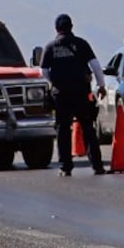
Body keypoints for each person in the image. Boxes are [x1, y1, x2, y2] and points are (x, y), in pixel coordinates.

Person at [39, 13, 107, 177]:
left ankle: (65, 166)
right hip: (81, 92)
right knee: (87, 128)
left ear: (56, 28)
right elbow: (96, 66)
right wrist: (101, 85)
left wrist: (54, 82)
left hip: (61, 94)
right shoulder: (81, 44)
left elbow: (43, 71)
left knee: (63, 129)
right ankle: (97, 165)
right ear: (71, 27)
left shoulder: (50, 47)